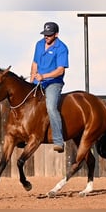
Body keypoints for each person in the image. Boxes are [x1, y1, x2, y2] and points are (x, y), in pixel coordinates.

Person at [30, 22, 69, 153]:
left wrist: (44, 76)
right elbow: (35, 63)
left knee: (51, 107)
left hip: (53, 82)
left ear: (56, 34)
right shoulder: (39, 44)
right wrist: (32, 80)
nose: (46, 37)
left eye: (49, 35)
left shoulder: (62, 48)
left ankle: (58, 141)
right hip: (38, 81)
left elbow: (60, 71)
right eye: (45, 34)